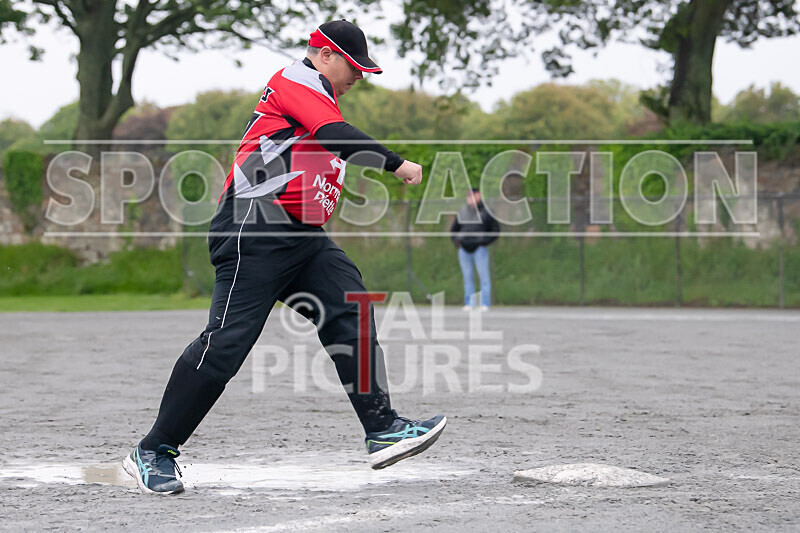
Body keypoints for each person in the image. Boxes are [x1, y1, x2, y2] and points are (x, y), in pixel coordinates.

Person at [123, 19, 446, 495]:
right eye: (354, 67)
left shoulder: (321, 97)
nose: (359, 78)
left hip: (301, 237)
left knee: (350, 303)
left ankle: (383, 429)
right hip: (252, 226)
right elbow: (336, 135)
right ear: (326, 54)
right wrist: (395, 163)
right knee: (227, 343)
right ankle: (153, 450)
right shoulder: (295, 80)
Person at [450, 188, 500, 311]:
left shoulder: (487, 211)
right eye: (468, 196)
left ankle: (485, 303)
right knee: (467, 278)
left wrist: (484, 242)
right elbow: (454, 229)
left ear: (479, 196)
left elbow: (495, 230)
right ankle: (469, 303)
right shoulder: (462, 211)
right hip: (464, 249)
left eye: (472, 195)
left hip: (479, 249)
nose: (469, 198)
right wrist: (457, 242)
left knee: (484, 278)